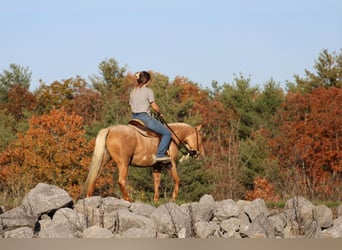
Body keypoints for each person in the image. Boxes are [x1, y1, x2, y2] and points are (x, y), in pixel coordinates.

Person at [129, 71, 171, 162]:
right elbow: (154, 106)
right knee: (167, 133)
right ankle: (160, 155)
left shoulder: (133, 91)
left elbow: (131, 105)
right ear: (147, 81)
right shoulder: (148, 91)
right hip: (144, 117)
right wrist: (160, 112)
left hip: (133, 118)